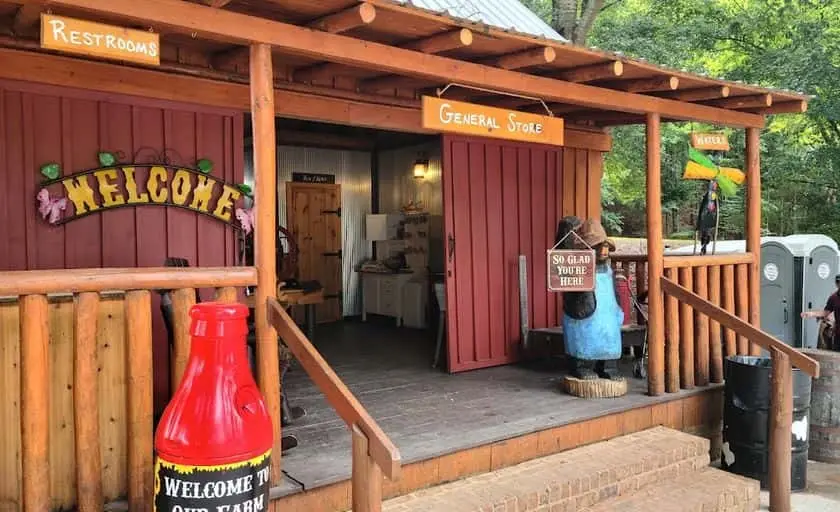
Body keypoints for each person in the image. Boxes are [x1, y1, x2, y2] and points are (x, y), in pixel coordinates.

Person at [801, 274, 840, 351]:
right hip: (838, 336)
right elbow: (826, 312)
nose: (839, 284)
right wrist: (812, 314)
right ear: (836, 284)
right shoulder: (834, 297)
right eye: (838, 282)